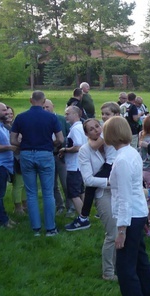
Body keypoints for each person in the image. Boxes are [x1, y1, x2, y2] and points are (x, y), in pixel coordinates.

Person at [103, 116, 150, 296]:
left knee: (125, 266)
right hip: (137, 212)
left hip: (131, 216)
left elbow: (125, 198)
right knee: (139, 258)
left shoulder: (123, 159)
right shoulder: (130, 153)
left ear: (110, 135)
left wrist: (121, 230)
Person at [11, 91, 64, 236]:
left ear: (30, 100)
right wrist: (50, 144)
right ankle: (50, 228)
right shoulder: (51, 117)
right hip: (45, 153)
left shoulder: (21, 117)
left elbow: (13, 140)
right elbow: (60, 138)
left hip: (26, 154)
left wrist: (23, 145)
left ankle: (35, 229)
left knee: (31, 192)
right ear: (44, 101)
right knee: (48, 192)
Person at [69, 102, 121, 231]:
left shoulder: (109, 129)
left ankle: (84, 217)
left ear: (116, 115)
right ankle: (84, 216)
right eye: (102, 114)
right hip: (110, 166)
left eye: (107, 114)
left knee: (91, 186)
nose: (104, 117)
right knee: (91, 186)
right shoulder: (109, 128)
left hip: (114, 164)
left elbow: (93, 146)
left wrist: (93, 139)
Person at [78, 118, 117, 281]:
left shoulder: (110, 143)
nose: (96, 130)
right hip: (103, 194)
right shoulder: (85, 151)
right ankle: (108, 272)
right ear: (86, 134)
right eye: (91, 129)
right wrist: (109, 182)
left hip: (120, 192)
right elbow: (88, 180)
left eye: (97, 126)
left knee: (124, 230)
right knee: (112, 233)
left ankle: (120, 265)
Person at [60, 106, 87, 231]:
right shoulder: (81, 127)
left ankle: (83, 219)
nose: (65, 116)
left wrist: (64, 149)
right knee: (81, 191)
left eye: (68, 113)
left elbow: (77, 147)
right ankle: (84, 213)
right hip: (80, 165)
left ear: (76, 114)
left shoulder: (76, 129)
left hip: (74, 166)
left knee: (74, 193)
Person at [43, 99, 72, 216]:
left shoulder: (61, 119)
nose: (45, 109)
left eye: (47, 107)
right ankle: (59, 206)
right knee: (52, 184)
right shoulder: (41, 121)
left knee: (65, 182)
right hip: (47, 155)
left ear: (52, 106)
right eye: (43, 107)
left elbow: (70, 136)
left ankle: (71, 206)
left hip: (61, 155)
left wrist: (60, 143)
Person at [4, 106, 27, 215]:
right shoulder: (2, 127)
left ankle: (25, 205)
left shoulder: (15, 126)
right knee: (18, 183)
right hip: (13, 158)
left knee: (24, 183)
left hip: (21, 157)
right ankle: (18, 207)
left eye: (11, 114)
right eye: (6, 114)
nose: (9, 116)